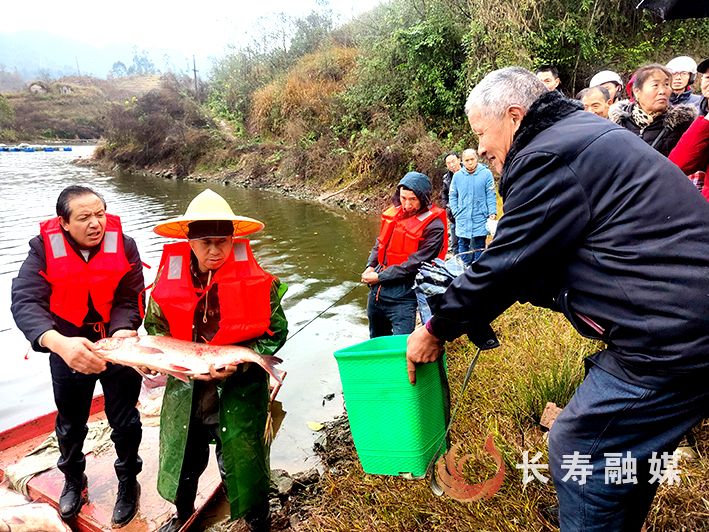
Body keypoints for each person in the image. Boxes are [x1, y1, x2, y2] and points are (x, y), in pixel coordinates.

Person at [406, 66, 709, 532]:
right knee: (628, 453)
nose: (481, 148)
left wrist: (436, 327)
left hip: (673, 335)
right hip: (684, 315)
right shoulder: (579, 134)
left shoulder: (549, 155)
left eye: (482, 134)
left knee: (577, 444)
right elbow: (544, 261)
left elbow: (508, 262)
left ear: (512, 115)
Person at [145, 189, 288, 532]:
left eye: (222, 241)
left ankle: (259, 521)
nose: (215, 250)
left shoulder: (259, 281)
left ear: (233, 239)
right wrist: (150, 359)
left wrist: (239, 362)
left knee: (244, 460)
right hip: (186, 393)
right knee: (183, 461)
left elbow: (276, 332)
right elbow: (154, 329)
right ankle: (183, 516)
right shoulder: (166, 283)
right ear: (190, 242)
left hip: (238, 389)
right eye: (205, 242)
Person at [11, 185, 144, 526]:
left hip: (117, 344)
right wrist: (57, 342)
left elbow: (131, 298)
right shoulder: (42, 249)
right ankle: (74, 480)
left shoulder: (125, 245)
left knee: (126, 421)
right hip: (67, 347)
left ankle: (128, 483)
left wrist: (122, 331)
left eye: (100, 214)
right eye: (84, 217)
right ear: (64, 223)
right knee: (70, 423)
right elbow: (25, 300)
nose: (96, 223)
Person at [362, 172, 446, 338]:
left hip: (403, 297)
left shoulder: (434, 226)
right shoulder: (395, 214)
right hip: (377, 294)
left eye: (413, 199)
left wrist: (380, 277)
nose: (407, 204)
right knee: (376, 340)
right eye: (403, 198)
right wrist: (370, 267)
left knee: (402, 346)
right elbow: (380, 244)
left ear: (423, 197)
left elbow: (416, 264)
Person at [609, 63, 697, 157]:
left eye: (666, 84)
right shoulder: (619, 122)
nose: (662, 91)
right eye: (655, 85)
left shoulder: (683, 124)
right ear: (637, 92)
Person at [669, 57, 709, 199]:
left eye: (683, 73)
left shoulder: (697, 103)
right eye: (708, 77)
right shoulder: (704, 115)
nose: (678, 78)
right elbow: (679, 162)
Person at [449, 149, 497, 265]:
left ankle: (477, 268)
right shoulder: (457, 176)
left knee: (480, 243)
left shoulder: (486, 174)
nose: (470, 163)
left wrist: (492, 212)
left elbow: (491, 194)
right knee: (462, 242)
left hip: (480, 215)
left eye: (472, 159)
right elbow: (452, 195)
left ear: (477, 159)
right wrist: (455, 211)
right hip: (462, 215)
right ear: (462, 162)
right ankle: (462, 268)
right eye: (467, 160)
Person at [441, 151, 461, 252]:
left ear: (459, 160)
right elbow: (444, 194)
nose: (452, 165)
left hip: (467, 213)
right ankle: (456, 264)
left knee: (469, 242)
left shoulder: (469, 172)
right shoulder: (446, 178)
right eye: (449, 163)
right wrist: (446, 206)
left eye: (453, 161)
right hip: (453, 214)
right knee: (454, 242)